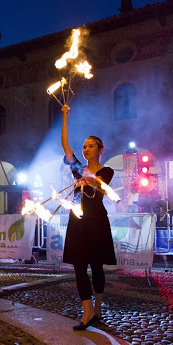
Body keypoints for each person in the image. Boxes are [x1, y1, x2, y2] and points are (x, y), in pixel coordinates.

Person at [60, 104, 116, 331]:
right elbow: (65, 146)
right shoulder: (78, 169)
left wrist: (86, 179)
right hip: (78, 222)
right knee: (79, 266)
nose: (85, 149)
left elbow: (98, 183)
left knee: (97, 266)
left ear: (100, 150)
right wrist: (65, 117)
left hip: (97, 223)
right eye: (84, 146)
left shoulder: (107, 170)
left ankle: (98, 307)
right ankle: (87, 312)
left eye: (90, 146)